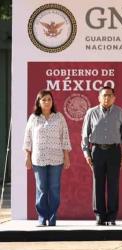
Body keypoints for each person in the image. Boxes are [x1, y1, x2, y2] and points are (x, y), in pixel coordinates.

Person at [82, 86, 122, 226]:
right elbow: (85, 136)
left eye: (110, 95)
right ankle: (100, 215)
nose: (107, 98)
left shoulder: (120, 113)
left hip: (114, 152)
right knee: (98, 183)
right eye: (104, 95)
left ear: (114, 98)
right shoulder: (91, 113)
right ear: (99, 97)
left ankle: (112, 216)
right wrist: (87, 154)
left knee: (113, 184)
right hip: (96, 151)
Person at [23, 90, 72, 226]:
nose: (47, 102)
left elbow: (65, 137)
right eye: (43, 99)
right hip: (38, 158)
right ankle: (41, 218)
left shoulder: (59, 117)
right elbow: (27, 138)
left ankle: (52, 218)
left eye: (49, 99)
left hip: (56, 158)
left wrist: (66, 156)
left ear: (52, 101)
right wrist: (27, 156)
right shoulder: (33, 118)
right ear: (38, 102)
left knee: (54, 188)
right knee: (41, 188)